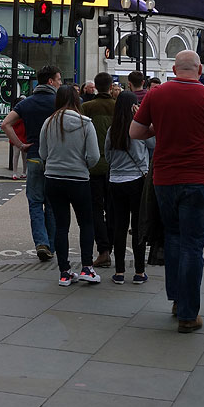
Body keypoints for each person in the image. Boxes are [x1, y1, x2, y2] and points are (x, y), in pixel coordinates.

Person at [130, 51, 204, 333]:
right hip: (197, 180)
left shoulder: (157, 95)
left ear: (174, 69)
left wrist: (159, 129)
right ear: (200, 69)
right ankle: (189, 315)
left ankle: (178, 301)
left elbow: (135, 132)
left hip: (164, 180)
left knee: (174, 239)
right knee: (193, 245)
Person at [39, 85, 101, 286]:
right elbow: (94, 156)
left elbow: (43, 154)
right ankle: (87, 268)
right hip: (78, 179)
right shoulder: (86, 124)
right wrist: (82, 165)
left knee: (61, 226)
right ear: (77, 99)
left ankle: (64, 272)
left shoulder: (48, 123)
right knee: (86, 223)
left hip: (53, 179)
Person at [1, 65, 61, 261]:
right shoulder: (59, 102)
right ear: (50, 81)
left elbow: (5, 124)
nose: (60, 83)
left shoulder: (27, 103)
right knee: (51, 204)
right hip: (54, 159)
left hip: (34, 156)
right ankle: (50, 246)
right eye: (58, 80)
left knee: (35, 203)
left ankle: (41, 242)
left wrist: (20, 145)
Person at [105, 91, 155, 284]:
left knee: (119, 226)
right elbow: (153, 142)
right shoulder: (139, 129)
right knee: (138, 226)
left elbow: (107, 157)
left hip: (116, 181)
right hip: (137, 180)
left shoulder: (112, 130)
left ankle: (119, 272)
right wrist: (142, 116)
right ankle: (139, 272)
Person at [82, 72, 117, 268]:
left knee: (96, 210)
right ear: (111, 85)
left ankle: (103, 250)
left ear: (95, 86)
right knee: (112, 210)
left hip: (93, 167)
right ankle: (110, 248)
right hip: (115, 167)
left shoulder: (86, 107)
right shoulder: (117, 107)